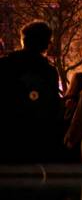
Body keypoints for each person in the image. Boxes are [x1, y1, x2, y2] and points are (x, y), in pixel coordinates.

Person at [0, 21, 62, 163]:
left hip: (7, 135)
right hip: (38, 138)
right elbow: (53, 107)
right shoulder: (49, 71)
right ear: (46, 44)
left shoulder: (5, 65)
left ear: (24, 40)